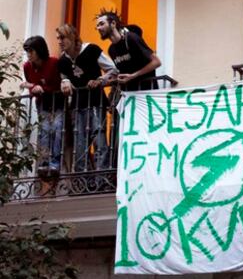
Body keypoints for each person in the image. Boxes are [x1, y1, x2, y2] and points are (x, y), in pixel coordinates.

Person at [57, 24, 117, 173]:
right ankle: (81, 182)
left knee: (99, 141)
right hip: (77, 106)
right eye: (58, 38)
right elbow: (64, 77)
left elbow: (113, 69)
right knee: (80, 145)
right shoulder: (63, 61)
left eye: (62, 37)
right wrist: (64, 82)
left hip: (96, 102)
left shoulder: (91, 49)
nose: (59, 41)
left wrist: (100, 80)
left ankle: (101, 179)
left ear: (72, 37)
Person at [22, 36, 64, 176]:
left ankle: (55, 163)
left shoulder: (53, 63)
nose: (28, 55)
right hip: (42, 104)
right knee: (44, 131)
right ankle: (44, 163)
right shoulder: (27, 66)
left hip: (58, 102)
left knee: (57, 129)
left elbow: (57, 85)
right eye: (27, 51)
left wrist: (37, 87)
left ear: (39, 50)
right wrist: (33, 86)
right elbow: (33, 89)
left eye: (31, 51)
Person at [95, 10, 161, 92]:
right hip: (129, 94)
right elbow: (124, 73)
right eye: (97, 26)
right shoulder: (111, 50)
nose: (98, 28)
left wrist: (133, 76)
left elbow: (156, 62)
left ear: (113, 24)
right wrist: (111, 79)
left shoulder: (131, 38)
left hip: (146, 93)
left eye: (102, 24)